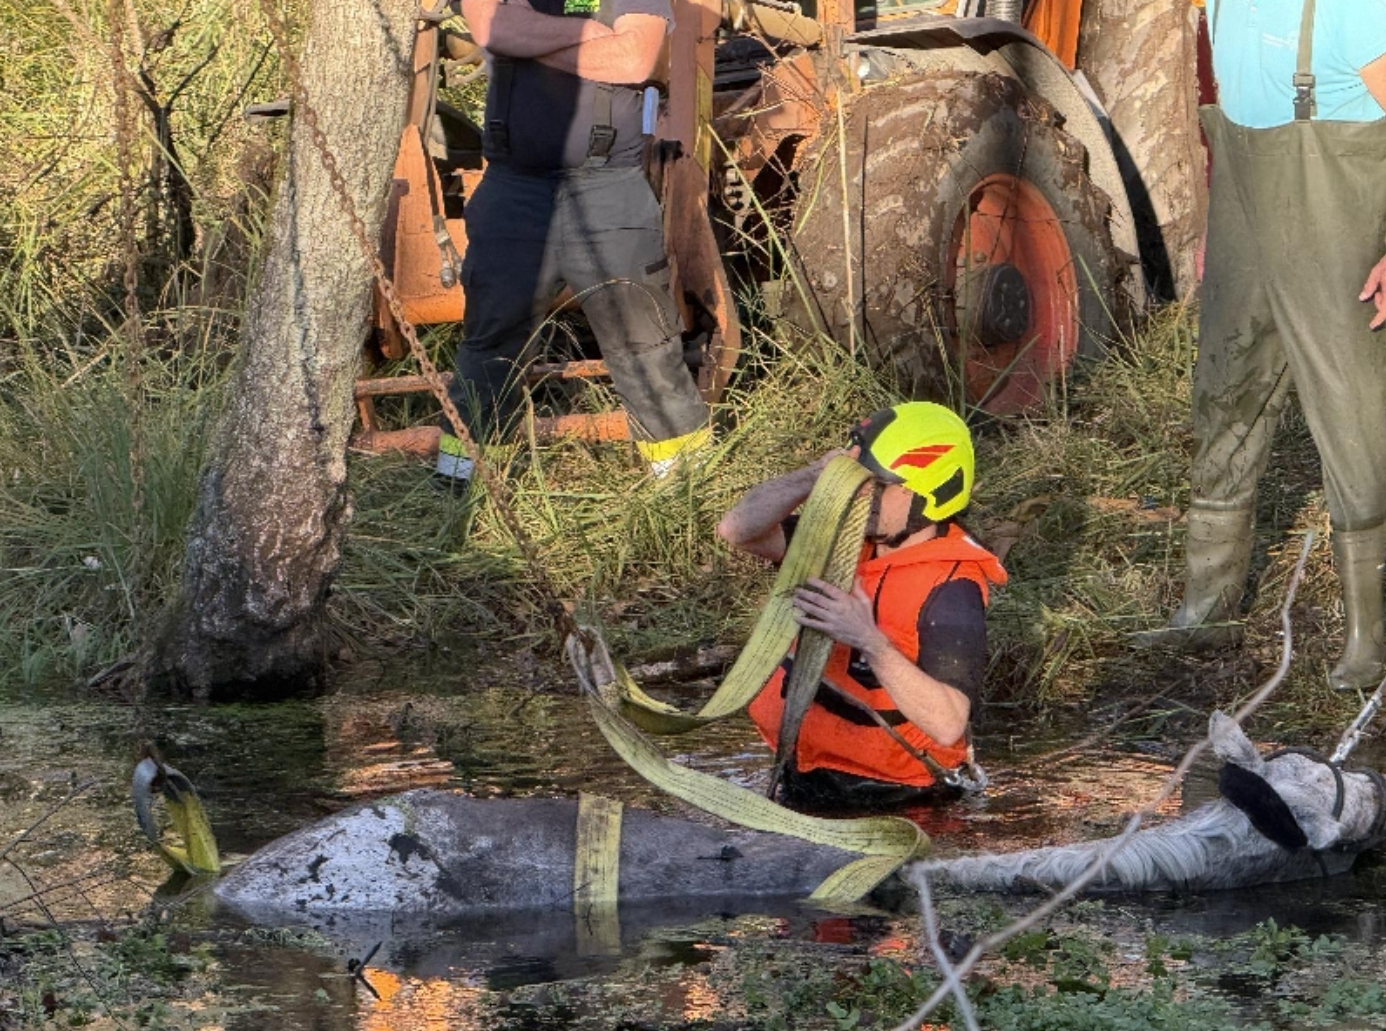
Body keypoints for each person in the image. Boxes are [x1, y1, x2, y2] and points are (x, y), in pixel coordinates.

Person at [1140, 0, 1386, 692]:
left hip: (1336, 213)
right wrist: (1224, 228)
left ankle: (1371, 633)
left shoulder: (1354, 8)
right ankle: (1209, 601)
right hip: (1247, 211)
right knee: (1224, 392)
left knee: (1354, 414)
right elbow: (1234, 118)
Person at [436, 0, 711, 487]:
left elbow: (633, 61)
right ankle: (459, 487)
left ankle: (686, 487)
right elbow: (492, 30)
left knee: (645, 343)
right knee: (491, 341)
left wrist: (528, 43)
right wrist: (589, 32)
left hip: (610, 189)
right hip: (513, 191)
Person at [717, 402, 1007, 808]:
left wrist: (868, 640)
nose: (861, 496)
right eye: (858, 480)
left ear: (927, 492)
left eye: (877, 485)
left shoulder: (953, 587)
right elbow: (738, 530)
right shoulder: (845, 538)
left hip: (899, 800)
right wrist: (816, 475)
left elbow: (947, 724)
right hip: (806, 779)